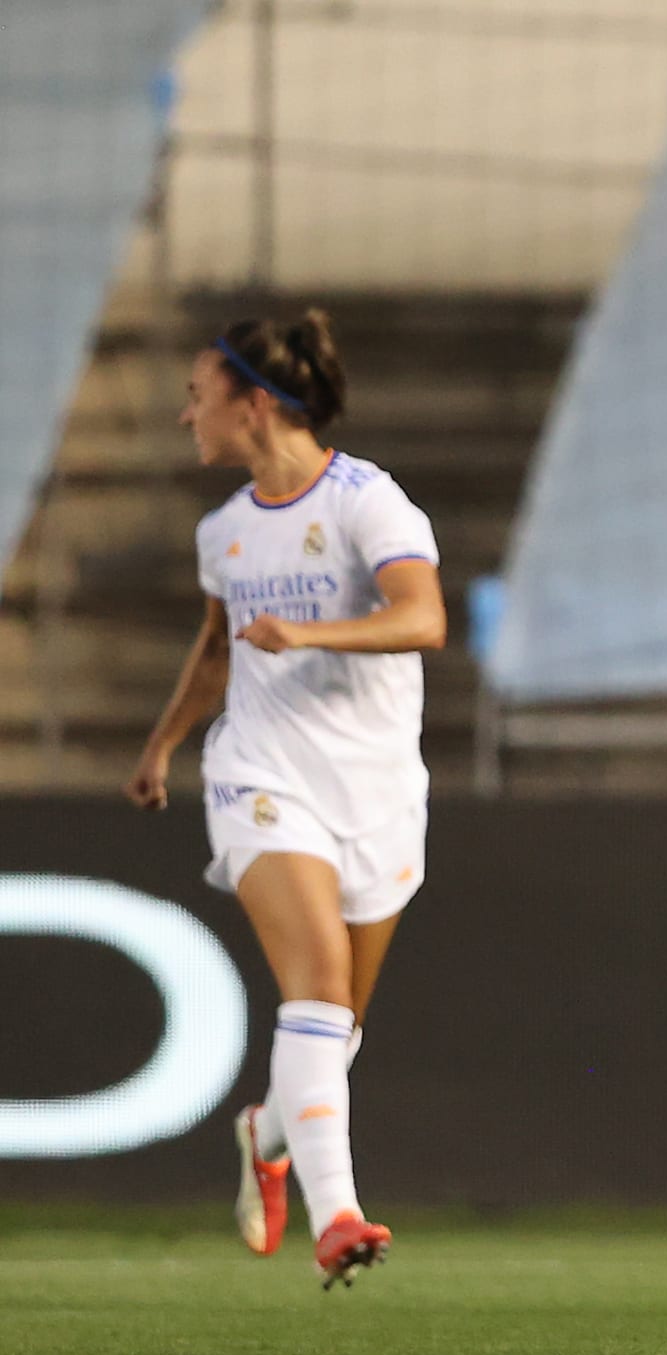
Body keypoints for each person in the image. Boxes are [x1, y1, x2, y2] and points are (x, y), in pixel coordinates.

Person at [125, 309, 444, 1289]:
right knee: (316, 994)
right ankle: (337, 1213)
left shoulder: (367, 503)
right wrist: (165, 742)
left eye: (198, 396)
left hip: (379, 790)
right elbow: (221, 649)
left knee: (334, 1030)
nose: (187, 416)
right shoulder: (223, 531)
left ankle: (267, 1133)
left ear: (254, 404)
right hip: (261, 775)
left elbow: (421, 616)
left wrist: (311, 637)